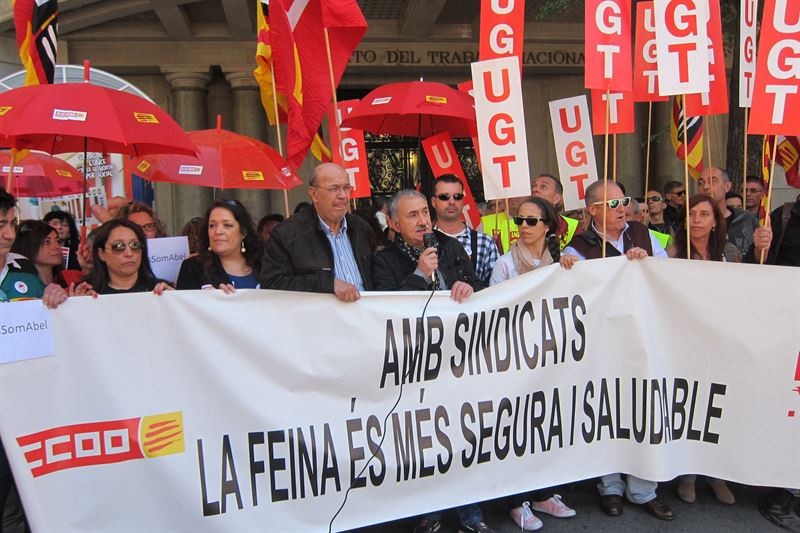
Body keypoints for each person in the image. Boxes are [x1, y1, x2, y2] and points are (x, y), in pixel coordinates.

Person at [372, 190, 489, 533]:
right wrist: (420, 276)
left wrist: (467, 286)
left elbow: (477, 285)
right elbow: (383, 308)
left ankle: (472, 514)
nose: (423, 220)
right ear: (394, 223)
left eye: (425, 212)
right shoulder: (384, 260)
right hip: (416, 363)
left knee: (463, 433)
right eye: (413, 215)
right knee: (428, 437)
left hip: (457, 359)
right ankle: (431, 511)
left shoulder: (450, 247)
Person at [561, 181, 673, 521]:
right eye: (612, 203)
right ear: (592, 209)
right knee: (608, 410)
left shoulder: (644, 234)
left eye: (624, 200)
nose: (622, 207)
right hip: (604, 342)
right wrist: (567, 267)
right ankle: (610, 486)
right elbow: (574, 294)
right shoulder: (578, 246)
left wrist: (645, 263)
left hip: (643, 337)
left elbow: (668, 274)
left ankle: (643, 490)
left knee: (644, 408)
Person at [489, 197, 577, 530]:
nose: (523, 227)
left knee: (546, 428)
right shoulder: (504, 264)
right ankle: (515, 501)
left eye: (531, 221)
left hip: (552, 358)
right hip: (516, 359)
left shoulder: (560, 262)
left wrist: (569, 270)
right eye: (519, 220)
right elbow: (495, 310)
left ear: (547, 226)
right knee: (515, 430)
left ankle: (543, 494)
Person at [261, 163, 374, 302]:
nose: (343, 196)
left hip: (363, 318)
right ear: (314, 194)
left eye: (346, 188)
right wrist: (327, 283)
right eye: (334, 189)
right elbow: (272, 284)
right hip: (315, 321)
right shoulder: (286, 235)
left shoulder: (361, 228)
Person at [177, 199, 263, 292]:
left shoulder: (263, 265)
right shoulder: (193, 268)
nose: (217, 231)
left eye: (227, 225)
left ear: (243, 232)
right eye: (212, 225)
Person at [431, 174, 498, 284]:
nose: (452, 202)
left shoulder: (485, 242)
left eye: (457, 196)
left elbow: (497, 289)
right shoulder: (422, 241)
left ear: (463, 200)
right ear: (433, 202)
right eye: (444, 197)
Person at [76, 219, 171, 295]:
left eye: (135, 245)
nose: (129, 253)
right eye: (118, 246)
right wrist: (79, 305)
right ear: (101, 254)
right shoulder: (87, 293)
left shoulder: (161, 290)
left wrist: (176, 299)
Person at [698, 167, 759, 255]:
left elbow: (759, 258)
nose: (705, 187)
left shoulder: (747, 219)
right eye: (700, 183)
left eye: (712, 181)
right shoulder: (692, 221)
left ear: (727, 186)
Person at [530, 173, 580, 248]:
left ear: (556, 198)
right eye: (533, 186)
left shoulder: (571, 226)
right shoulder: (519, 222)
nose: (535, 190)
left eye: (543, 187)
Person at [11, 220, 65, 286]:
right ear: (29, 247)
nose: (57, 246)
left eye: (57, 241)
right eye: (47, 242)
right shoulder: (21, 287)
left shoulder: (66, 280)